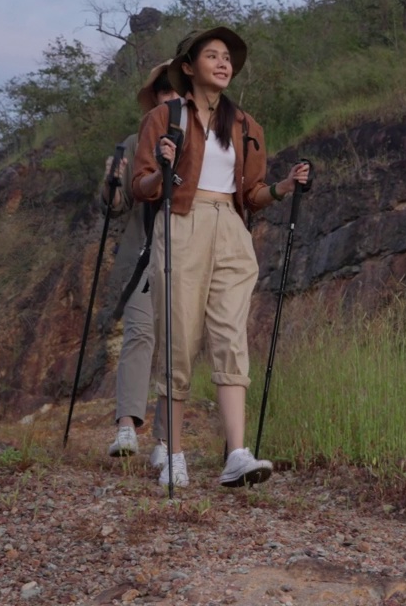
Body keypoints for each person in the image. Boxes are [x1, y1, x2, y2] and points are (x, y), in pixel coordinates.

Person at [131, 26, 310, 488]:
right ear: (189, 67)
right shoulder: (164, 117)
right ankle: (172, 453)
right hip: (181, 221)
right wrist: (162, 169)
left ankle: (237, 453)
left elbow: (250, 194)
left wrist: (284, 187)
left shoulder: (247, 126)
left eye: (228, 57)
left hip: (231, 227)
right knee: (179, 337)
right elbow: (143, 185)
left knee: (231, 336)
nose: (223, 62)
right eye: (212, 55)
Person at [104, 61, 179, 471]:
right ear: (154, 100)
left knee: (175, 346)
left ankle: (166, 439)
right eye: (164, 93)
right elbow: (116, 209)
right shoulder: (136, 143)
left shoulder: (202, 143)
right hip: (142, 256)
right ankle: (127, 426)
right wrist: (112, 183)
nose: (171, 99)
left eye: (177, 92)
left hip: (187, 255)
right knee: (140, 333)